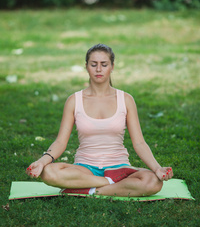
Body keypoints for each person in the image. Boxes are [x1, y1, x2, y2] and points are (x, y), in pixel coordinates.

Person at [26, 44, 173, 197]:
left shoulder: (126, 100)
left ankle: (88, 189)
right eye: (93, 64)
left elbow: (139, 143)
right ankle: (110, 183)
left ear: (112, 66)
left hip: (119, 167)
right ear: (86, 67)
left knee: (153, 181)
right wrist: (42, 162)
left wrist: (157, 169)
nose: (98, 69)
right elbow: (60, 142)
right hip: (85, 169)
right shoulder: (74, 100)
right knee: (48, 172)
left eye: (104, 64)